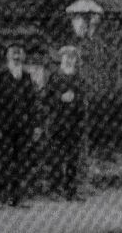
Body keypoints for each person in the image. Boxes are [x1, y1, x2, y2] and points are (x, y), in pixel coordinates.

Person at [0, 42, 42, 207]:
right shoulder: (1, 77)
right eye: (13, 53)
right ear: (7, 56)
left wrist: (36, 126)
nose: (16, 56)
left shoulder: (26, 77)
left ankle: (16, 198)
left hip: (23, 127)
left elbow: (32, 103)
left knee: (21, 163)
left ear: (23, 57)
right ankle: (0, 198)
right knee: (3, 162)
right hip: (4, 127)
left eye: (19, 53)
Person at [45, 45, 87, 200]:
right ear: (61, 59)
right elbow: (46, 98)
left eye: (72, 57)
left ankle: (71, 191)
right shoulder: (54, 77)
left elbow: (83, 100)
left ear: (76, 61)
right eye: (66, 57)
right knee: (56, 158)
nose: (69, 60)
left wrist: (77, 100)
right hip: (58, 123)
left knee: (73, 159)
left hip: (74, 124)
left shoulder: (79, 79)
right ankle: (54, 190)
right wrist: (60, 97)